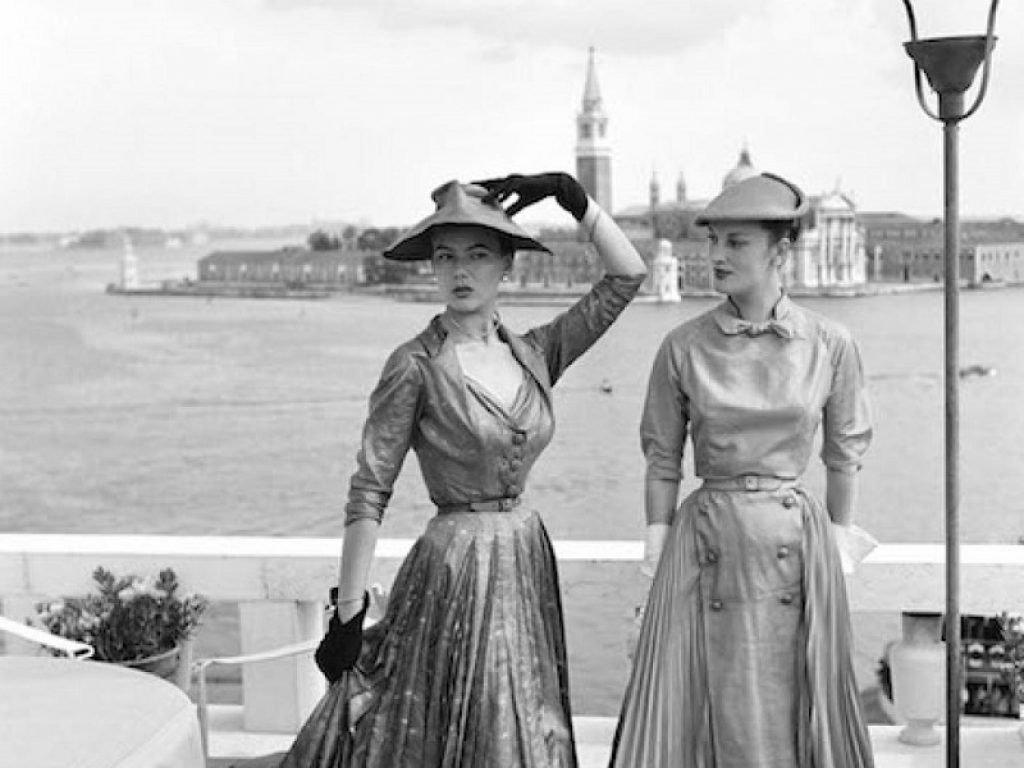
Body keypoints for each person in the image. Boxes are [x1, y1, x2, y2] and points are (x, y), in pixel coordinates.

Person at [268, 172, 646, 768]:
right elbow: (370, 491)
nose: (460, 272)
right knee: (470, 726)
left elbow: (626, 277)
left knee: (526, 721)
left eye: (477, 255)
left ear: (506, 267)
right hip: (453, 570)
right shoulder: (415, 365)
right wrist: (347, 616)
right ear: (433, 268)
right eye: (446, 258)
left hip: (524, 557)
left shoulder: (536, 353)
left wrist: (574, 198)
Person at [610, 172, 875, 768]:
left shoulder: (831, 343)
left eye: (736, 243)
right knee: (692, 704)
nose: (717, 256)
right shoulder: (682, 345)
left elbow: (844, 453)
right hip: (706, 536)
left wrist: (837, 539)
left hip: (796, 542)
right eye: (714, 242)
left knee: (795, 700)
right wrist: (657, 538)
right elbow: (661, 456)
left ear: (781, 252)